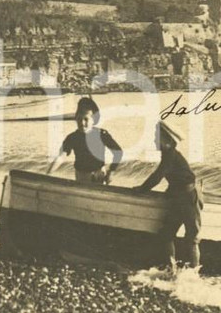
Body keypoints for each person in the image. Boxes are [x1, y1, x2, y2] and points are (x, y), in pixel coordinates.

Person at [136, 121, 203, 275]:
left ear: (167, 141)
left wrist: (142, 189)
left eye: (156, 137)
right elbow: (174, 177)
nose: (154, 141)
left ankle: (192, 274)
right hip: (179, 197)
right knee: (167, 234)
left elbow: (158, 176)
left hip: (189, 197)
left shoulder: (170, 156)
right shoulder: (169, 155)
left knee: (191, 237)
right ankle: (172, 269)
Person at [47, 96, 123, 184]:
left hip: (99, 176)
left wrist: (112, 171)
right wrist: (48, 174)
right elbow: (60, 157)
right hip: (81, 177)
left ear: (94, 120)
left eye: (86, 119)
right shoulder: (72, 137)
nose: (82, 123)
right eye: (79, 119)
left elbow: (118, 152)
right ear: (75, 118)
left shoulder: (102, 134)